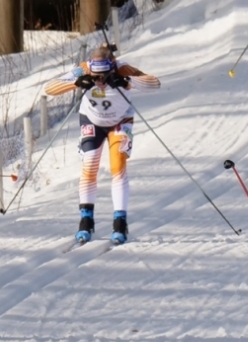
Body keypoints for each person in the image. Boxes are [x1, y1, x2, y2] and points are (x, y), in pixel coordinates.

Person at [43, 42, 160, 244]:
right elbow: (49, 89)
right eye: (96, 77)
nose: (100, 81)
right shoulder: (85, 68)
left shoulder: (122, 67)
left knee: (118, 166)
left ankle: (120, 223)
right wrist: (77, 82)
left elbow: (154, 82)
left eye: (104, 76)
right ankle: (86, 221)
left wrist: (126, 81)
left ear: (111, 66)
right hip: (92, 121)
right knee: (90, 164)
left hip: (120, 122)